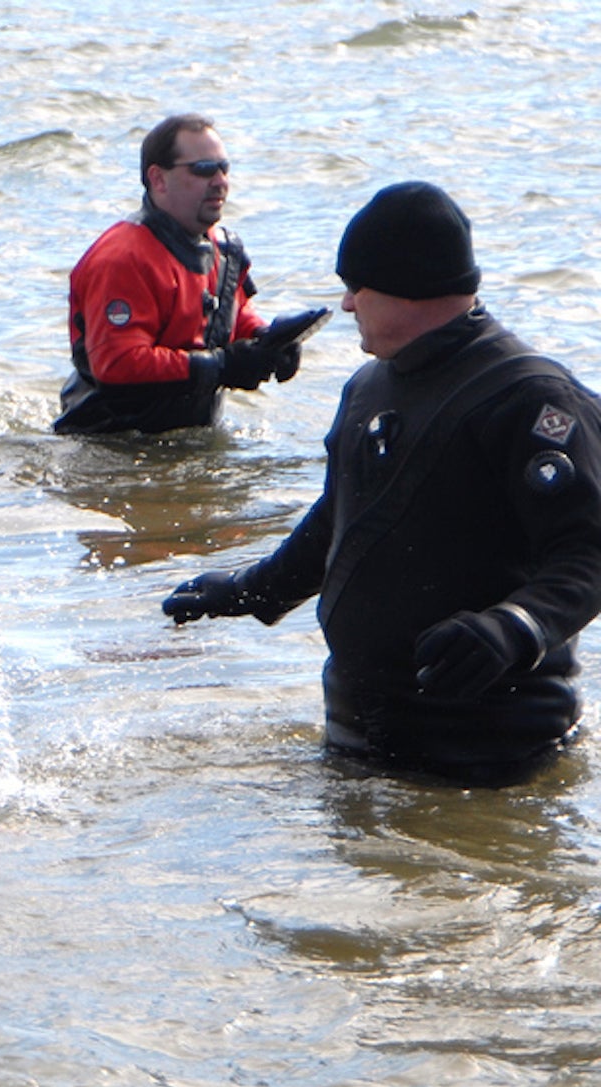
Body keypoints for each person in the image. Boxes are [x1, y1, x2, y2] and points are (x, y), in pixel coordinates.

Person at [164, 181, 601, 784]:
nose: (345, 305)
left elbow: (587, 551)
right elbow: (343, 518)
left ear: (408, 288)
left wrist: (514, 627)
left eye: (355, 287)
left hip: (489, 753)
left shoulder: (531, 398)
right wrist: (253, 590)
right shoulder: (369, 385)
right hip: (359, 736)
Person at [54, 113, 309, 436]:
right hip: (112, 440)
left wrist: (267, 342)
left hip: (190, 435)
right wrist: (223, 366)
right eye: (204, 170)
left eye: (224, 168)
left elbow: (235, 312)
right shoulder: (122, 257)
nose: (219, 181)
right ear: (158, 179)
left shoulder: (224, 248)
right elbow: (117, 363)